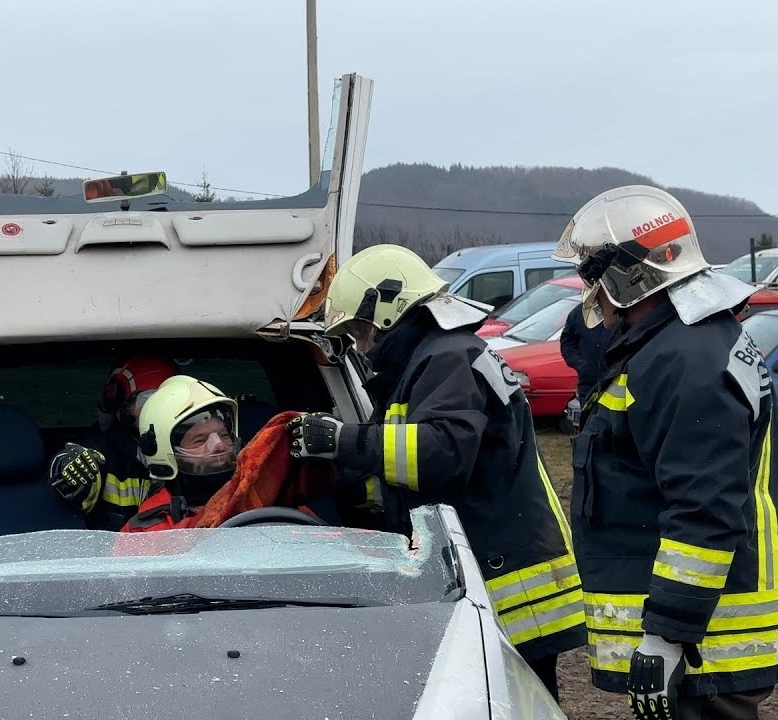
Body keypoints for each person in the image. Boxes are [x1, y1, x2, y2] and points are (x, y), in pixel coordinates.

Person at [286, 244, 585, 701]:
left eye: (361, 330)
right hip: (499, 563)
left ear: (388, 311)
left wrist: (341, 440)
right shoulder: (436, 357)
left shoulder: (448, 358)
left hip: (508, 583)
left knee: (513, 702)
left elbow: (440, 453)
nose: (362, 344)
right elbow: (408, 469)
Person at [552, 185, 778, 720]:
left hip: (705, 647)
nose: (591, 295)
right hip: (702, 637)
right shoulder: (680, 343)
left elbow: (704, 510)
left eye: (593, 278)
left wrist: (668, 635)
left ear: (625, 276)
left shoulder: (686, 359)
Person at [48, 355, 178, 530]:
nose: (158, 409)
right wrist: (67, 467)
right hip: (113, 547)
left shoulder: (191, 448)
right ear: (120, 406)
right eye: (147, 401)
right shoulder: (102, 451)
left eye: (169, 401)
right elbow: (71, 474)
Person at [119, 375, 242, 531]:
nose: (219, 445)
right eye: (200, 440)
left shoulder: (262, 494)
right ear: (165, 451)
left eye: (224, 435)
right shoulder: (144, 533)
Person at [559, 300, 611, 401]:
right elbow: (567, 341)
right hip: (587, 385)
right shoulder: (579, 313)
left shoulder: (617, 311)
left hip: (614, 383)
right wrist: (581, 364)